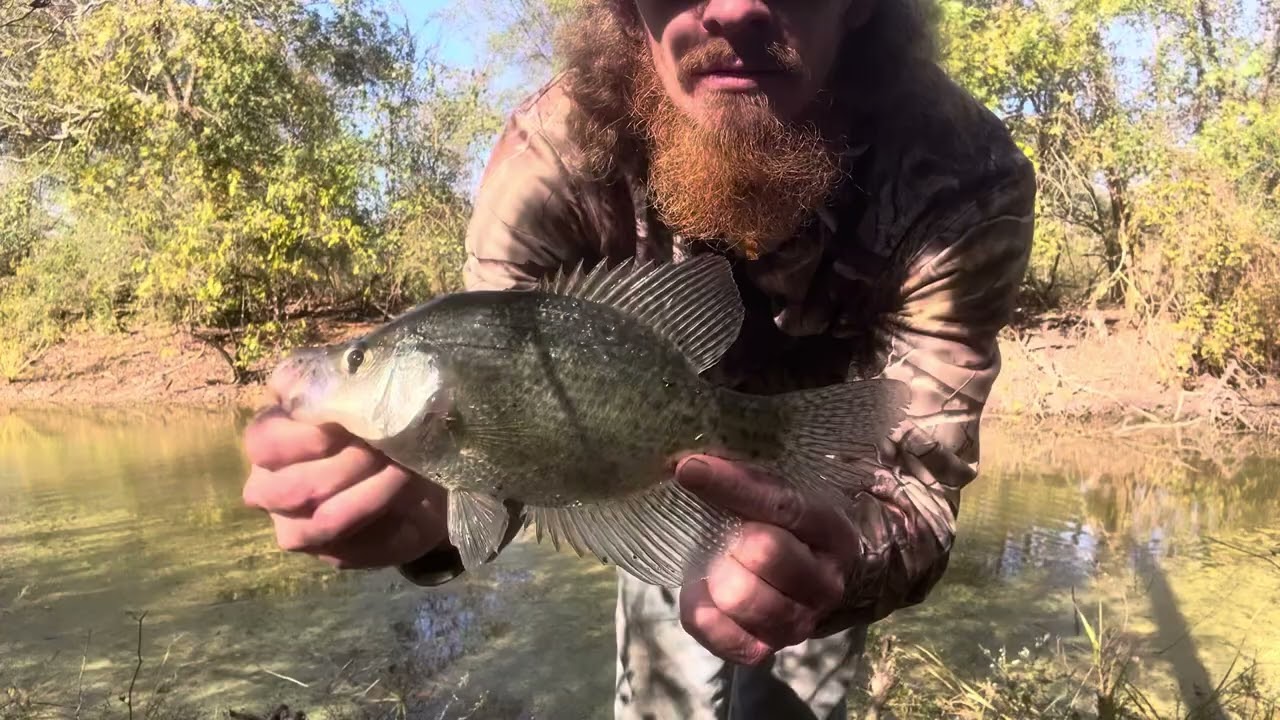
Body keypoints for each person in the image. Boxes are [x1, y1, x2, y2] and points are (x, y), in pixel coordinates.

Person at [240, 0, 1036, 717]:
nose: (733, 9)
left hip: (839, 486)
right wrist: (426, 525)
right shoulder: (547, 162)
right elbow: (502, 444)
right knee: (667, 700)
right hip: (638, 476)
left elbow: (918, 490)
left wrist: (844, 563)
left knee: (795, 694)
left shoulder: (960, 177)